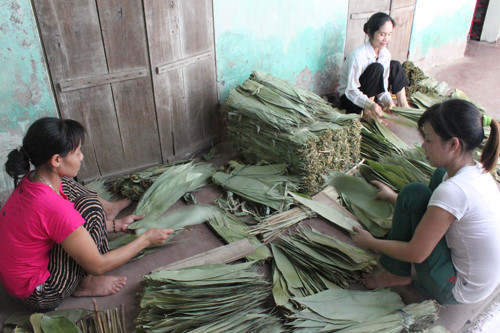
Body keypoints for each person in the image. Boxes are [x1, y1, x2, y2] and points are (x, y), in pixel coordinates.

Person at [0, 117, 174, 311]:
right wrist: (147, 239)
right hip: (38, 293)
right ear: (56, 159)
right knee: (90, 209)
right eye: (77, 152)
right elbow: (98, 265)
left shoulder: (33, 179)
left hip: (14, 278)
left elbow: (50, 224)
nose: (81, 157)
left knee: (66, 184)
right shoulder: (54, 208)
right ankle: (85, 283)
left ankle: (107, 212)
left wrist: (115, 225)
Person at [351, 99, 500, 304]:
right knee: (437, 177)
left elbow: (417, 253)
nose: (423, 146)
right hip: (483, 283)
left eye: (428, 140)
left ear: (453, 144)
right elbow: (442, 214)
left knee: (414, 193)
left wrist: (371, 242)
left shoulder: (454, 191)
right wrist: (395, 198)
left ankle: (397, 272)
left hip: (457, 288)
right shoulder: (477, 171)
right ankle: (402, 265)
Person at [337, 12, 410, 121]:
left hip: (371, 95)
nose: (386, 39)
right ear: (371, 33)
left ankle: (404, 105)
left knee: (395, 65)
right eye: (382, 34)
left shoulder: (385, 54)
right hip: (351, 99)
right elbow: (351, 91)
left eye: (389, 34)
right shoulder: (358, 56)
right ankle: (367, 112)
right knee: (376, 68)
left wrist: (388, 101)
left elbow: (383, 84)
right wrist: (370, 105)